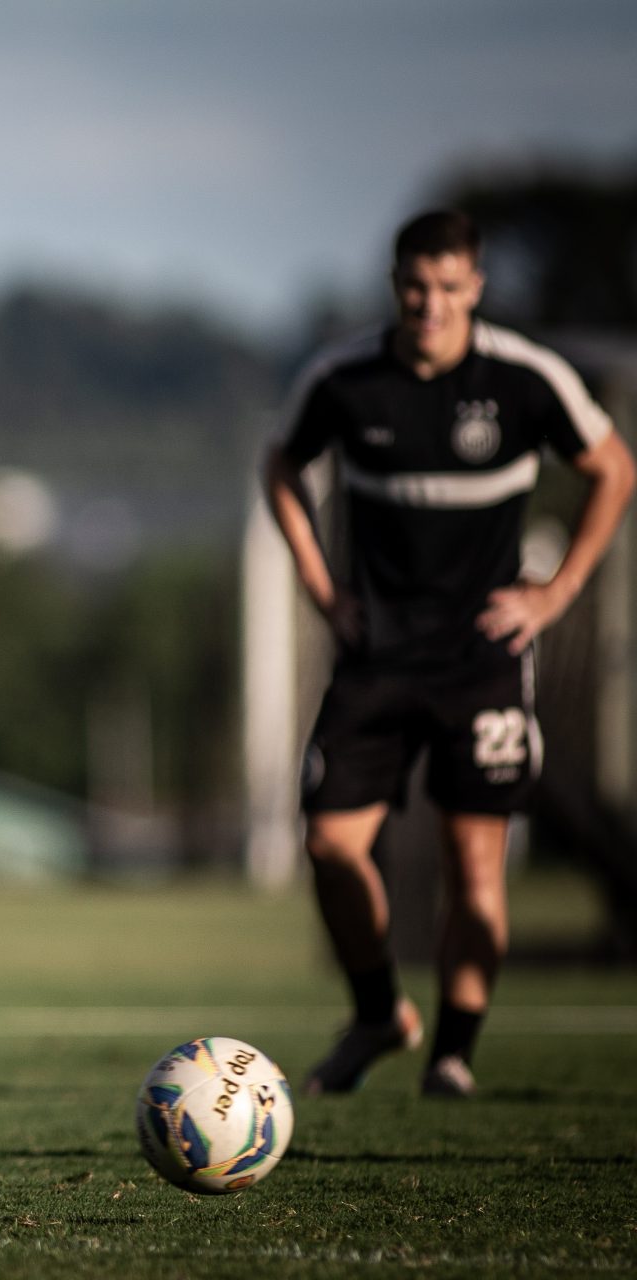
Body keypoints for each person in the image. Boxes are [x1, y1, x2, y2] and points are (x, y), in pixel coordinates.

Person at [263, 210, 634, 1099]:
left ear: (475, 289)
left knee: (476, 866)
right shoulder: (344, 379)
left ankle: (454, 1056)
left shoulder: (525, 379)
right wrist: (322, 587)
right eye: (414, 287)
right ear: (396, 285)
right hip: (376, 654)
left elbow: (614, 469)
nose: (429, 305)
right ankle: (379, 1012)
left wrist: (556, 592)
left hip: (482, 658)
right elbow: (281, 465)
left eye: (448, 288)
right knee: (328, 845)